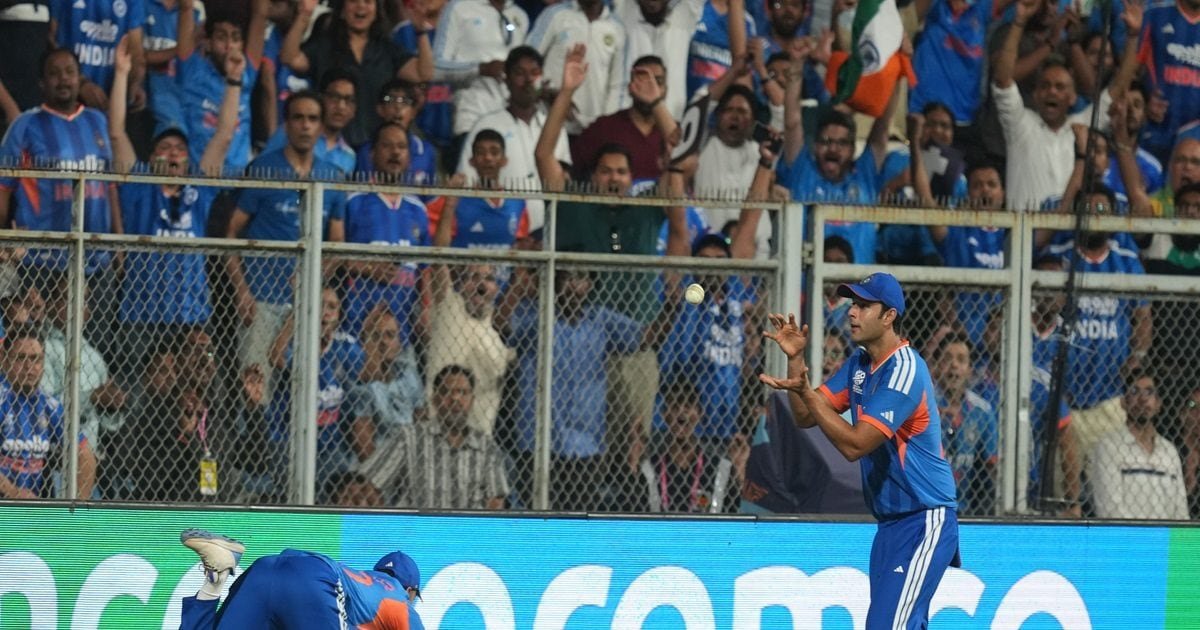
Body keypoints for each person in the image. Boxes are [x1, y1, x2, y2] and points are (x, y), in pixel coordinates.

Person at [758, 272, 960, 629]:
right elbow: (805, 416)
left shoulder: (905, 370)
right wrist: (796, 360)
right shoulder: (860, 365)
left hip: (924, 518)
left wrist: (805, 393)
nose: (852, 312)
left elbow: (855, 444)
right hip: (891, 524)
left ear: (889, 316)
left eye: (864, 305)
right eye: (853, 303)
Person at [178, 528, 424, 629]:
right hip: (314, 580)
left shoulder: (361, 584)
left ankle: (215, 579)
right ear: (410, 591)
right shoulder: (399, 600)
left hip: (267, 567)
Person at [355, 364, 510, 509]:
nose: (455, 398)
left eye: (463, 392)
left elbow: (496, 499)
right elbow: (369, 483)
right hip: (418, 527)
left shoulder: (486, 446)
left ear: (472, 400)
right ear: (434, 399)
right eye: (446, 392)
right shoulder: (410, 438)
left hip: (466, 528)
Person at [282, 0, 432, 146]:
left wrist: (421, 32)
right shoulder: (324, 46)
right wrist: (304, 16)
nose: (361, 6)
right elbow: (290, 58)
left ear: (376, 12)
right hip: (332, 145)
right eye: (353, 1)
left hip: (375, 149)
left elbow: (423, 74)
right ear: (342, 10)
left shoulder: (387, 49)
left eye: (368, 1)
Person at [0, 325, 97, 499]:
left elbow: (85, 454)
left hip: (32, 505)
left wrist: (78, 504)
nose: (29, 367)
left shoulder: (49, 404)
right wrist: (13, 492)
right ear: (4, 360)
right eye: (21, 358)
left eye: (35, 359)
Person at [1088, 370, 1189, 519]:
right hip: (1126, 534)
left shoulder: (1169, 451)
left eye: (1149, 392)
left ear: (1158, 404)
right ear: (1124, 402)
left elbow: (1181, 511)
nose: (1142, 399)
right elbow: (1109, 510)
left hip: (1166, 534)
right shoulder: (1109, 447)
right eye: (1134, 392)